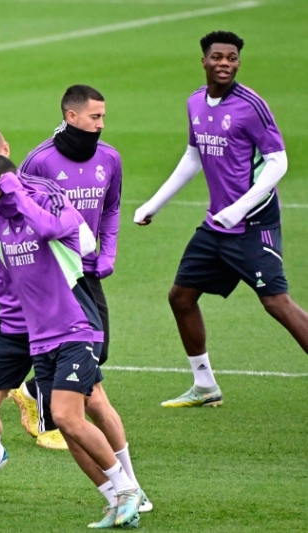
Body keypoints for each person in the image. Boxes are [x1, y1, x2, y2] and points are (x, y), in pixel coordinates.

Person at [0, 128, 151, 520]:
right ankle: (116, 498)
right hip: (39, 337)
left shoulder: (52, 208)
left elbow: (48, 229)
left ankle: (128, 490)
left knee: (74, 416)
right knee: (62, 420)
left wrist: (16, 192)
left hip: (75, 326)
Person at [134, 31, 305, 407]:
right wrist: (154, 203)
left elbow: (279, 162)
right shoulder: (195, 102)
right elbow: (193, 156)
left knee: (277, 303)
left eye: (232, 58)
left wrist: (239, 208)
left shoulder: (251, 105)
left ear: (238, 63)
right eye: (217, 57)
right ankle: (205, 385)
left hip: (252, 223)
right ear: (204, 61)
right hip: (217, 225)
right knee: (181, 296)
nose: (224, 63)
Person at [12, 85, 122, 450]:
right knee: (62, 346)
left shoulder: (110, 159)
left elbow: (111, 208)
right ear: (71, 117)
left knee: (98, 347)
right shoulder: (39, 161)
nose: (101, 124)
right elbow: (19, 212)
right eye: (95, 117)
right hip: (52, 271)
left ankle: (30, 391)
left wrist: (108, 253)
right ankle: (56, 418)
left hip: (87, 270)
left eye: (103, 116)